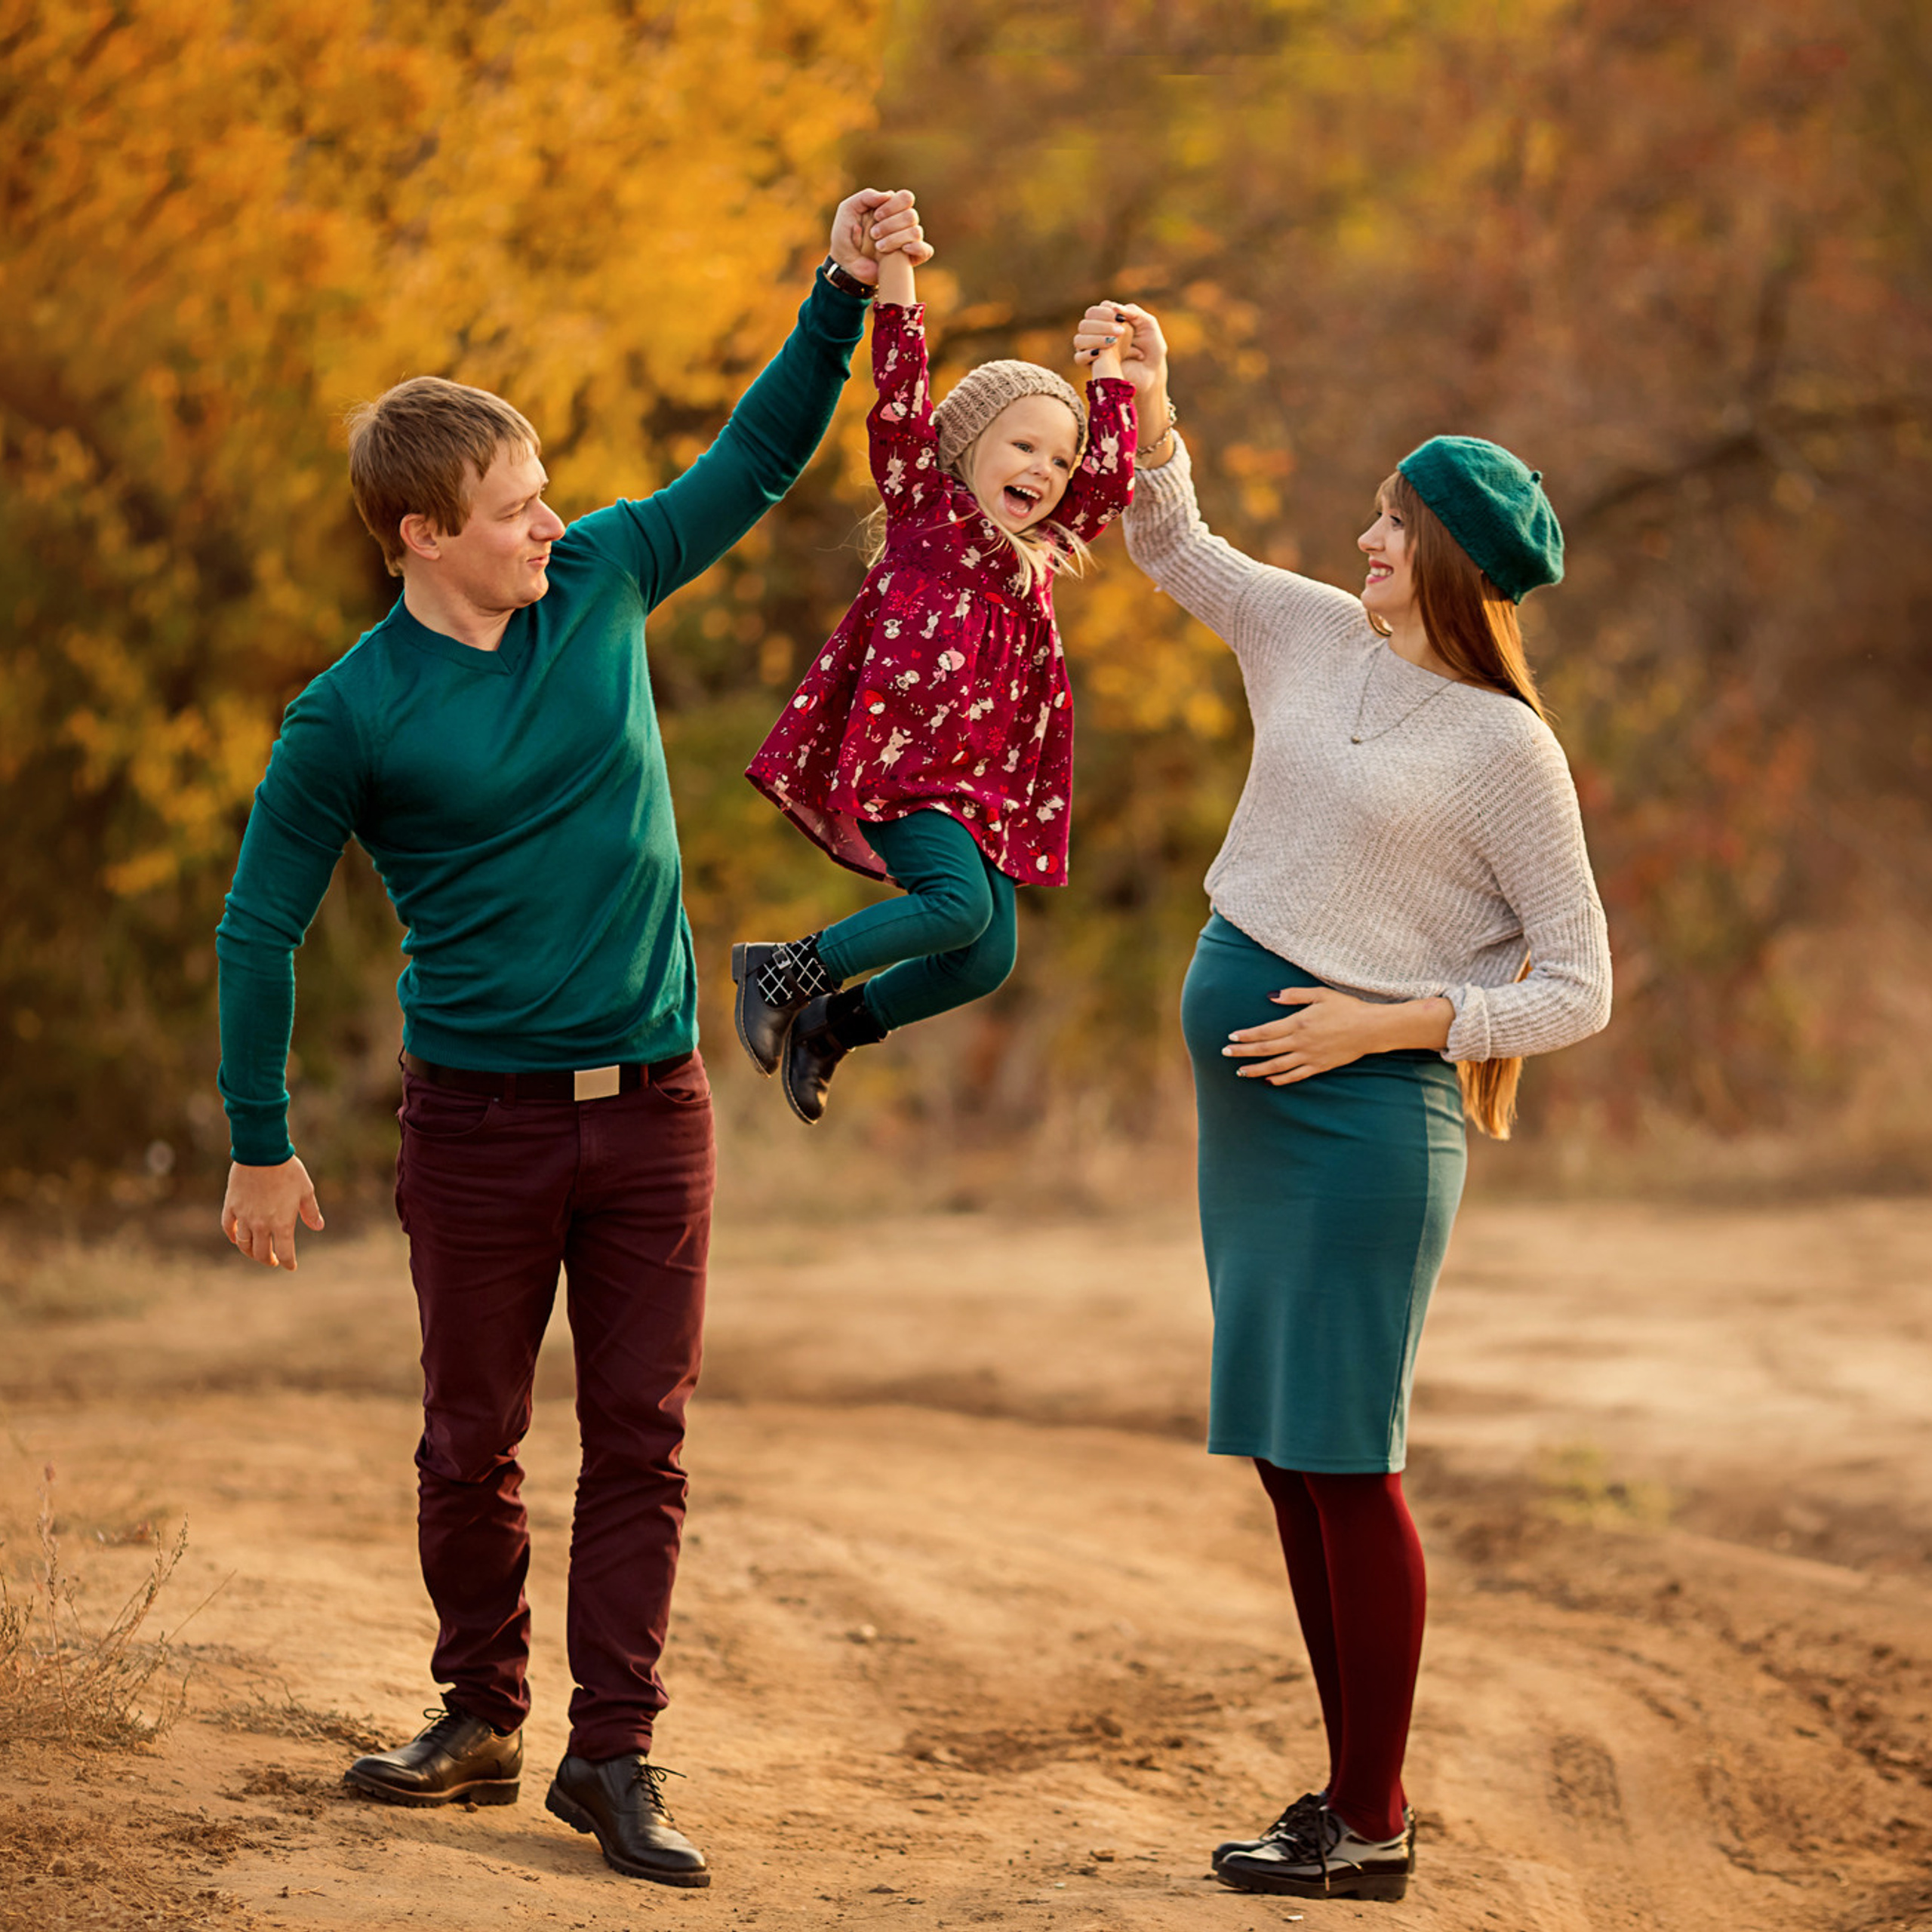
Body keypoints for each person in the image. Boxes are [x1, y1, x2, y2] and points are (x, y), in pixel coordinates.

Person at [213, 189, 930, 1890]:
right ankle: (478, 1711)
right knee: (471, 1434)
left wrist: (836, 290)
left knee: (644, 1434)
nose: (551, 526)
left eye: (546, 500)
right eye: (513, 512)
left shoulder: (601, 579)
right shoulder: (350, 713)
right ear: (415, 534)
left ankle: (613, 1754)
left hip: (655, 1104)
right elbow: (260, 924)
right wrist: (258, 1133)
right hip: (475, 1123)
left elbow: (749, 465)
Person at [1091, 300, 1612, 1903]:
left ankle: (1371, 1819)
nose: (1363, 535)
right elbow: (1170, 545)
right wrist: (1151, 403)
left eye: (1392, 520)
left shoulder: (1505, 751)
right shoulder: (1310, 631)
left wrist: (1398, 1021)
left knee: (1348, 1453)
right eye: (1376, 514)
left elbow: (1576, 982)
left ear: (1450, 555)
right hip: (1255, 1127)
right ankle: (1344, 1793)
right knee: (1286, 1453)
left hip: (1365, 1133)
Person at [731, 233, 1137, 1122]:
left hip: (979, 786)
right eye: (1023, 445)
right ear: (961, 447)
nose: (1044, 469)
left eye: (1057, 460)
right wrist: (896, 273)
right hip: (905, 765)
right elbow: (902, 392)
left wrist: (1108, 370)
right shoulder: (929, 511)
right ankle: (784, 969)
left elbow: (1109, 485)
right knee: (953, 906)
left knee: (985, 956)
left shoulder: (1041, 554)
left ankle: (834, 1023)